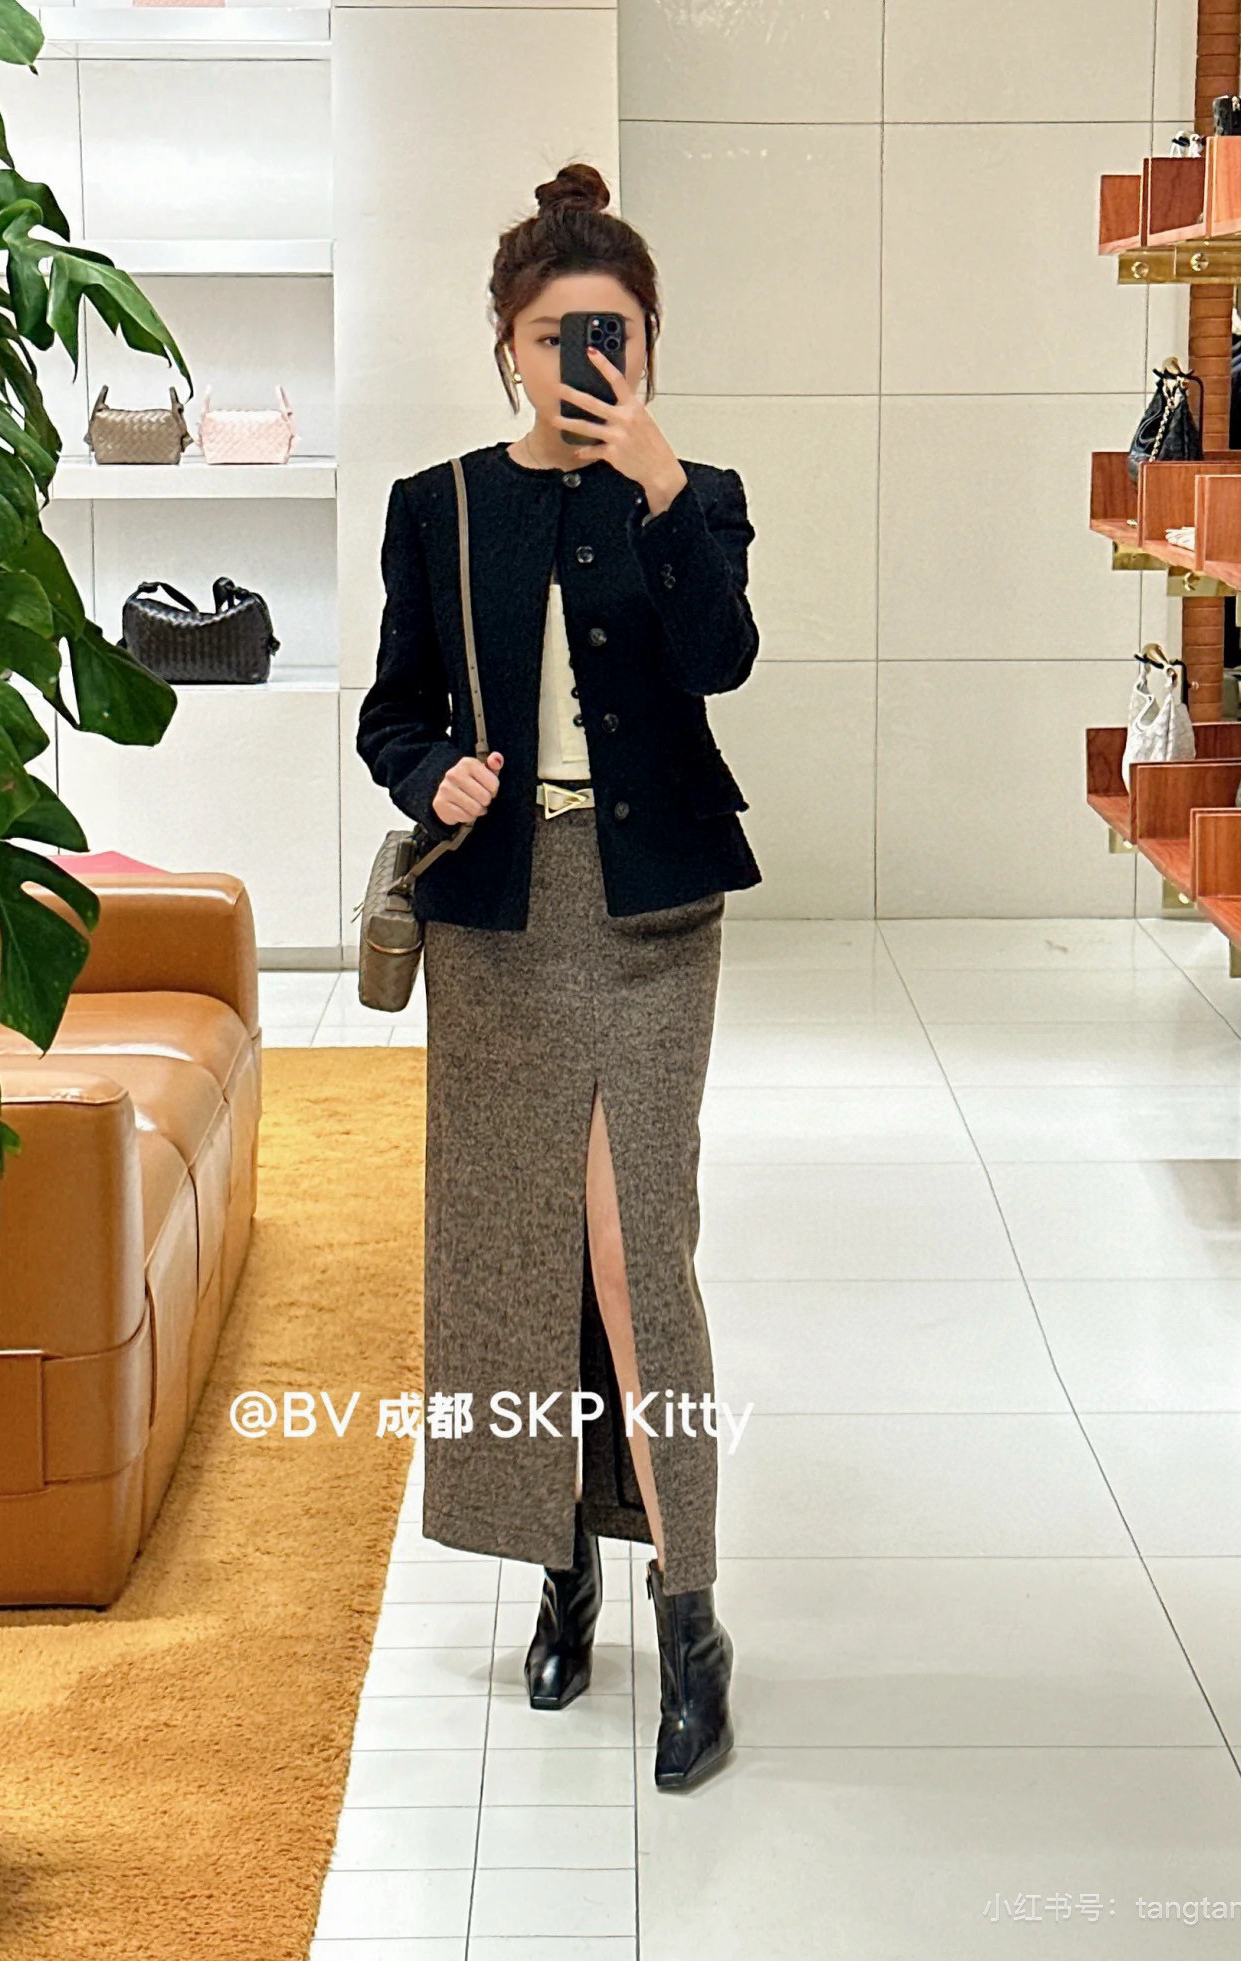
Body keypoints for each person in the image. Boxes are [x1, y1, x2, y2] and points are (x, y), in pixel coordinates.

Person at [355, 160, 762, 1790]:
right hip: (501, 927)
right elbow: (392, 709)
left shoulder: (699, 491)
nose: (586, 358)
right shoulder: (440, 505)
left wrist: (662, 494)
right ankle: (560, 1565)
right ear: (509, 346)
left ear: (648, 342)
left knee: (632, 1252)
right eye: (553, 334)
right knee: (518, 1256)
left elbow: (722, 659)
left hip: (652, 918)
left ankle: (691, 1611)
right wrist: (434, 771)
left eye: (615, 333)